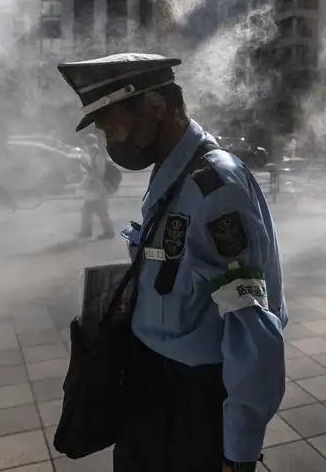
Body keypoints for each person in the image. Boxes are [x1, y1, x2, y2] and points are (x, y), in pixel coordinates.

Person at [57, 53, 288, 472]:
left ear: (156, 108)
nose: (112, 142)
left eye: (115, 126)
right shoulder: (171, 171)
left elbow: (253, 330)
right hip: (148, 393)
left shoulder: (216, 188)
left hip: (188, 408)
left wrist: (237, 451)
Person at [79, 133, 115, 239]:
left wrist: (90, 178)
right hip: (94, 190)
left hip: (99, 190)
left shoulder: (98, 156)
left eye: (86, 144)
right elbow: (93, 172)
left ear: (90, 144)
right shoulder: (92, 156)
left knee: (101, 212)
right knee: (87, 210)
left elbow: (100, 173)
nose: (85, 147)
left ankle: (109, 232)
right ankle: (87, 231)